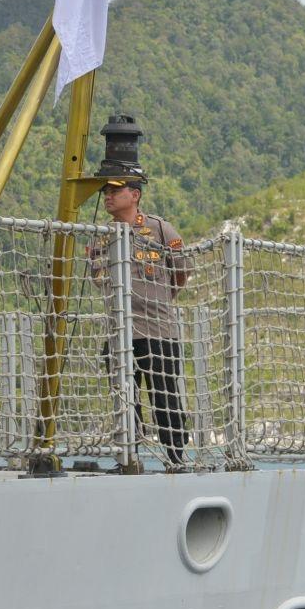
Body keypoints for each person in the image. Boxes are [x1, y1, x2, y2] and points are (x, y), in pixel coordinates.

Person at [90, 172, 192, 466]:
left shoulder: (160, 229)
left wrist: (161, 298)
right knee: (124, 398)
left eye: (115, 191)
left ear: (134, 195)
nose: (108, 196)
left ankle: (176, 457)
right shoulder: (102, 235)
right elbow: (96, 276)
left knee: (165, 395)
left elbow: (181, 269)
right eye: (106, 191)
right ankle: (129, 458)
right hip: (120, 331)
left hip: (158, 329)